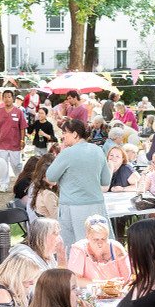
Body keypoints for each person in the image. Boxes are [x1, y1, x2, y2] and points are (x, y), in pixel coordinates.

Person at [46, 119, 112, 249]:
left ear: (75, 134)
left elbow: (50, 177)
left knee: (74, 249)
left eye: (65, 132)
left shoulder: (67, 153)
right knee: (99, 247)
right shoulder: (98, 150)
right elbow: (105, 180)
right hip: (96, 205)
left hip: (72, 206)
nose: (62, 136)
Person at [67, 215, 130, 285]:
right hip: (89, 291)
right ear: (87, 236)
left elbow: (127, 278)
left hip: (117, 290)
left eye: (103, 239)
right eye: (95, 239)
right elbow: (74, 280)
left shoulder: (116, 248)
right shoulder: (79, 249)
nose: (100, 243)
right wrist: (105, 284)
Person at [0, 89, 28, 192]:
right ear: (2, 99)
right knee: (3, 164)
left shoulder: (19, 112)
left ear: (13, 98)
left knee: (16, 164)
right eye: (5, 97)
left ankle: (21, 180)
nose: (7, 99)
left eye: (9, 97)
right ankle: (4, 184)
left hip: (15, 144)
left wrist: (22, 140)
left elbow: (22, 127)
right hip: (2, 143)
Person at [30, 154, 59, 219]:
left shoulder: (41, 191)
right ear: (43, 178)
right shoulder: (48, 194)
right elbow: (56, 216)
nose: (54, 177)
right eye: (50, 175)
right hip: (51, 223)